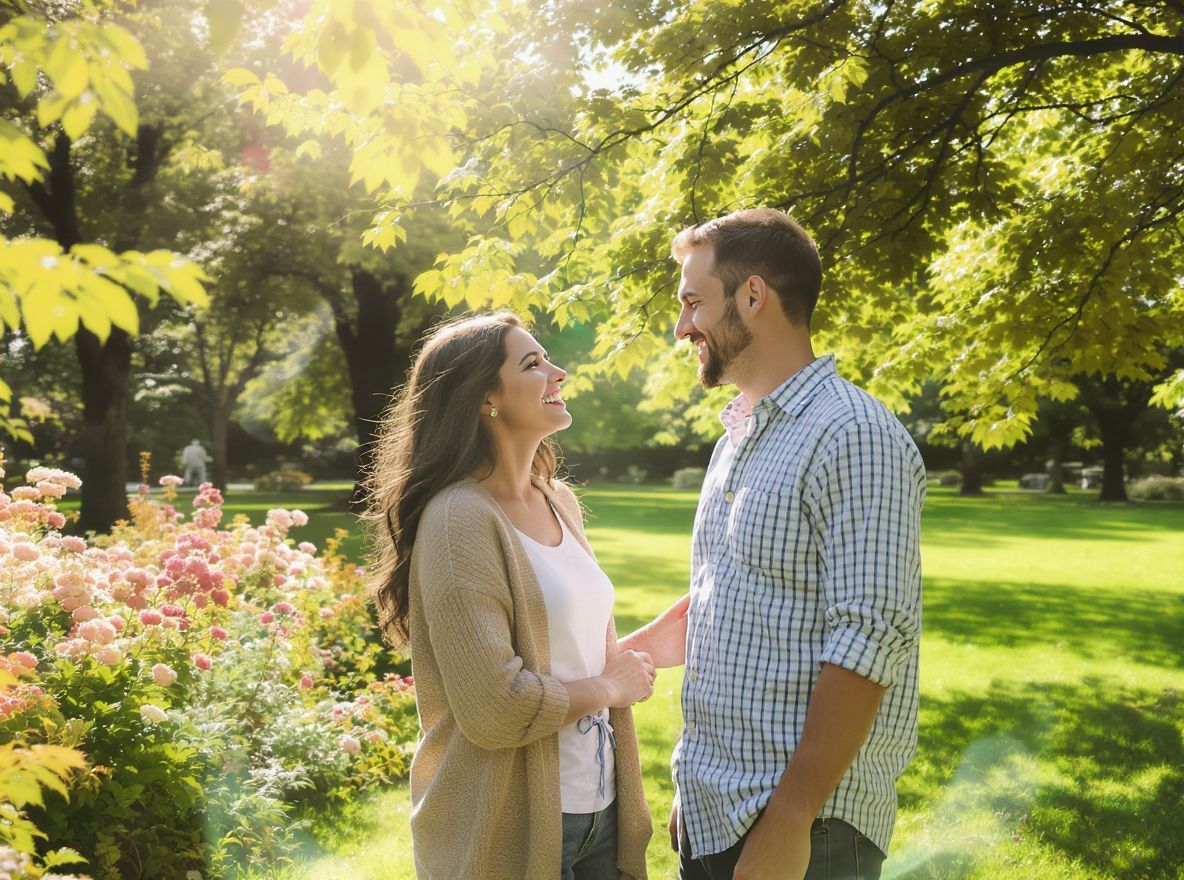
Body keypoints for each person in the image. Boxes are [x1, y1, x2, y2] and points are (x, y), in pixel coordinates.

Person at [364, 312, 687, 880]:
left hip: (600, 812)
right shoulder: (458, 519)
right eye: (533, 364)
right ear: (485, 396)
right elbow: (495, 707)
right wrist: (611, 685)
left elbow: (549, 656)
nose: (558, 372)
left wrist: (636, 650)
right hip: (509, 827)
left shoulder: (556, 498)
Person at [666, 209, 925, 880]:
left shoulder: (854, 434)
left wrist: (790, 817)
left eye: (694, 302)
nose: (682, 326)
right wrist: (697, 786)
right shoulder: (738, 440)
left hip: (807, 833)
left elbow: (868, 637)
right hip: (718, 810)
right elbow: (726, 604)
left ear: (753, 297)